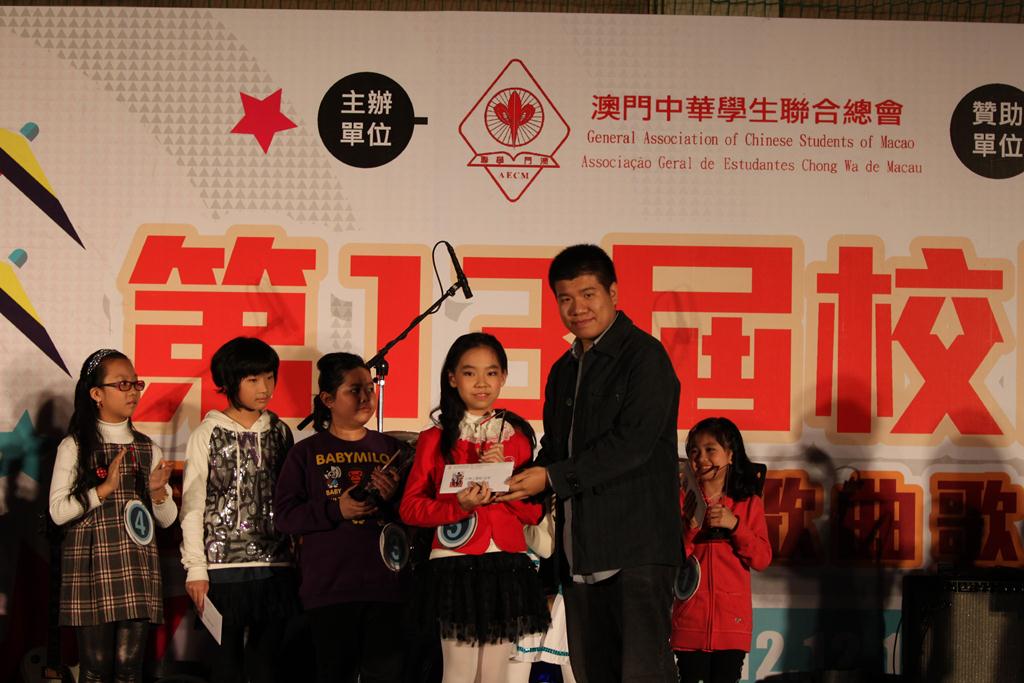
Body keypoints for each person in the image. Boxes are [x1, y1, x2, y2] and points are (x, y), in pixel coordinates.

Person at [503, 243, 682, 682]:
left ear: (613, 293)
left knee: (641, 675)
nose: (577, 309)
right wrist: (510, 482)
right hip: (580, 552)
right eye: (565, 298)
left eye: (588, 295)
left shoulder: (645, 357)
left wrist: (552, 477)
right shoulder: (563, 370)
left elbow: (633, 445)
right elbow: (555, 450)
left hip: (636, 551)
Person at [400, 332, 549, 683]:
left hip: (507, 563)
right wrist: (458, 506)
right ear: (452, 378)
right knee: (459, 673)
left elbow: (533, 513)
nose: (482, 383)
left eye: (491, 372)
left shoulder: (517, 436)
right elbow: (410, 508)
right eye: (470, 373)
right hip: (455, 563)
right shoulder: (435, 438)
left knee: (495, 675)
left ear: (504, 377)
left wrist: (505, 482)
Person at [274, 352, 408, 683]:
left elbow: (415, 515)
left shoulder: (393, 449)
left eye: (369, 389)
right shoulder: (306, 453)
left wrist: (393, 498)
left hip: (386, 587)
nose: (365, 398)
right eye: (354, 390)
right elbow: (285, 517)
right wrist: (337, 510)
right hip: (329, 589)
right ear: (328, 399)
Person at [48, 349, 176, 682]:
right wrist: (102, 490)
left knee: (129, 667)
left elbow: (166, 520)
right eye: (122, 384)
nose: (133, 391)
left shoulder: (147, 448)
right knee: (96, 667)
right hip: (91, 563)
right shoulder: (75, 446)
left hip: (136, 564)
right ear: (96, 394)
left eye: (136, 384)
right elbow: (58, 512)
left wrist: (158, 492)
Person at [179, 337, 296, 683]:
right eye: (253, 379)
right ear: (230, 382)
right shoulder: (207, 433)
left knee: (266, 668)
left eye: (270, 377)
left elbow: (290, 499)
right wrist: (195, 568)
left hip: (275, 566)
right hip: (222, 569)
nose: (265, 388)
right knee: (225, 667)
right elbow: (193, 504)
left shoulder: (280, 432)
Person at [672, 417, 772, 683]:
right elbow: (670, 561)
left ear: (730, 455)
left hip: (732, 625)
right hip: (689, 622)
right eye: (694, 451)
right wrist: (689, 529)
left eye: (710, 450)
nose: (701, 458)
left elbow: (762, 559)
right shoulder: (679, 499)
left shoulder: (747, 501)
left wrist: (735, 525)